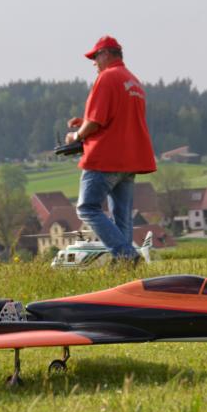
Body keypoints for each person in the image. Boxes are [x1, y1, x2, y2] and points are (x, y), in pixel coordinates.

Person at [66, 35, 156, 264]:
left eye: (95, 57)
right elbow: (118, 120)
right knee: (122, 218)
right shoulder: (133, 81)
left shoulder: (107, 78)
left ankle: (127, 255)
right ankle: (125, 266)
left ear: (106, 54)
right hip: (130, 160)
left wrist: (76, 135)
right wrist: (85, 122)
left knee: (87, 208)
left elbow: (96, 121)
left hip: (105, 158)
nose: (94, 63)